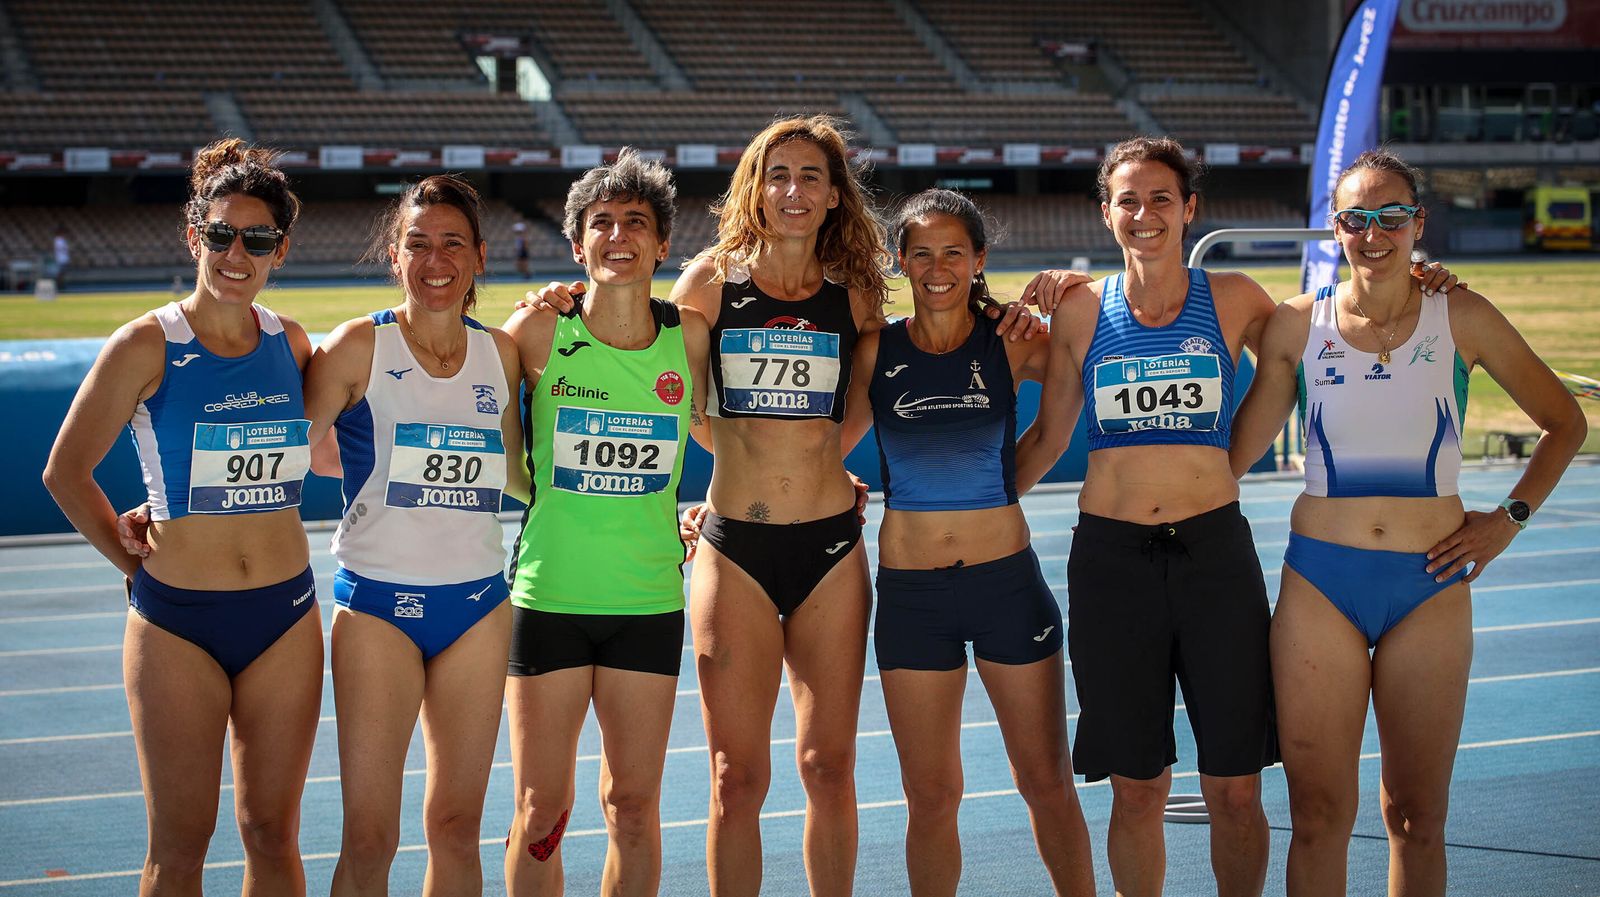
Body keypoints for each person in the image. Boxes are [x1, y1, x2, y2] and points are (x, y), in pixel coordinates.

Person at [531, 115, 1040, 897]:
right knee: (735, 777)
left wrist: (821, 461)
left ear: (834, 195)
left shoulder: (856, 292)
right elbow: (664, 380)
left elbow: (874, 387)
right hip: (734, 546)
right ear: (755, 189)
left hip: (830, 550)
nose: (793, 190)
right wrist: (736, 460)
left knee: (828, 766)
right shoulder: (710, 281)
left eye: (810, 176)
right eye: (778, 175)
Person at [1228, 149, 1586, 897]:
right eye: (1356, 218)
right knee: (1318, 814)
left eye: (1392, 216)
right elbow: (1232, 457)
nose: (1374, 233)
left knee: (1418, 815)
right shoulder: (1297, 325)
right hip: (1321, 584)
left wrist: (1508, 520)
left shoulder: (1463, 315)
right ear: (1335, 227)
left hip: (1429, 586)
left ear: (1419, 222)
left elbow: (1565, 422)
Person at [43, 138, 323, 895]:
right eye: (222, 234)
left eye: (257, 239)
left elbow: (327, 448)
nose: (237, 254)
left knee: (273, 834)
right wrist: (133, 562)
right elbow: (65, 471)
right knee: (179, 846)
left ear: (280, 249)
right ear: (193, 234)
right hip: (177, 622)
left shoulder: (292, 342)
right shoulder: (146, 343)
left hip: (285, 616)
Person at [838, 188, 1094, 896]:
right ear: (901, 261)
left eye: (954, 252)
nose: (938, 267)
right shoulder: (876, 349)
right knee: (930, 796)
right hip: (912, 597)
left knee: (1045, 780)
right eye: (921, 253)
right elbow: (824, 449)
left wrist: (1071, 292)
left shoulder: (1012, 338)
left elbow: (1065, 410)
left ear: (979, 259)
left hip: (1005, 584)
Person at [307, 174, 526, 895]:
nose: (436, 260)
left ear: (480, 257)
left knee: (457, 828)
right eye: (418, 243)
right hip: (377, 609)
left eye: (453, 243)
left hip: (477, 609)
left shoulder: (502, 352)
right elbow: (290, 453)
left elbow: (518, 475)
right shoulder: (355, 346)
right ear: (394, 255)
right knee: (371, 836)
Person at [500, 150, 710, 897]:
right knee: (540, 811)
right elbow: (499, 455)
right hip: (550, 596)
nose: (618, 236)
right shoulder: (535, 331)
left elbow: (737, 440)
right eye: (602, 223)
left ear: (662, 243)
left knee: (633, 807)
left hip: (647, 602)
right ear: (576, 243)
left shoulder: (689, 337)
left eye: (636, 223)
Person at [52, 224, 70, 289]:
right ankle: (58, 285)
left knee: (63, 273)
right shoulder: (58, 240)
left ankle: (60, 285)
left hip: (64, 258)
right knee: (60, 273)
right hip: (61, 259)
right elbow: (60, 249)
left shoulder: (62, 240)